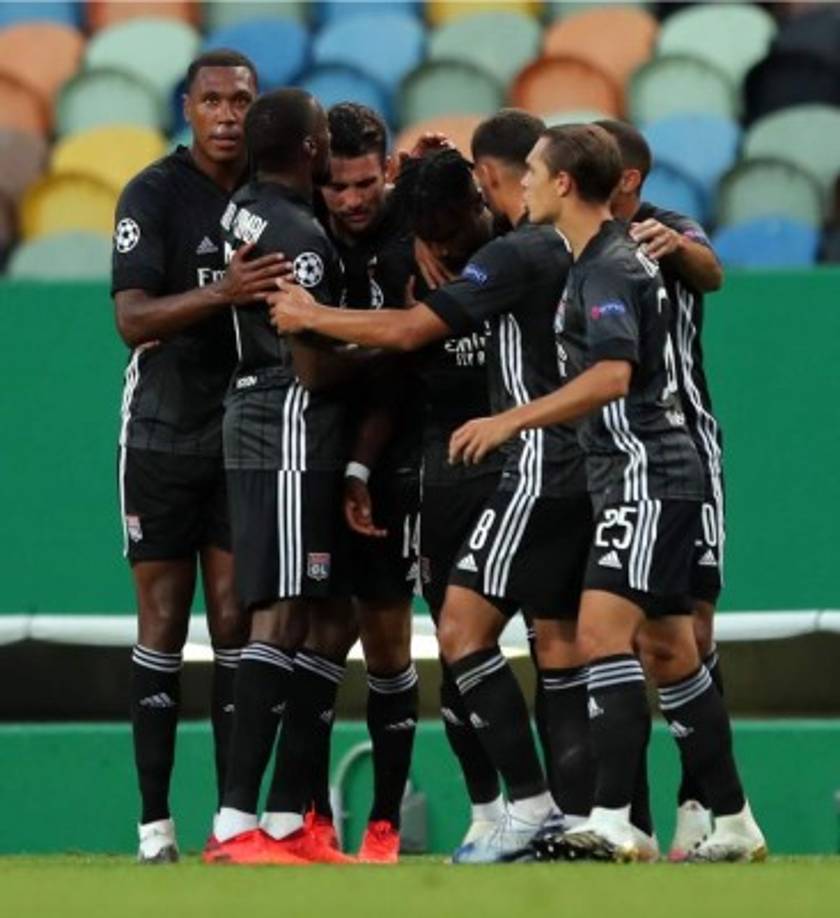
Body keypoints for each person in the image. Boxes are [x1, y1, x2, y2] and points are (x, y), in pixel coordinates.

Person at [269, 112, 600, 864]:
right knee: (487, 650)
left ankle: (550, 811)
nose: (446, 246)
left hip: (522, 464)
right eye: (433, 233)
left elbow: (414, 330)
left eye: (458, 223)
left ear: (494, 189)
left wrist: (310, 313)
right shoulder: (536, 240)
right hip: (455, 469)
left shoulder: (516, 251)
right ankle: (527, 813)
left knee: (517, 644)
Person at [450, 123, 766, 863]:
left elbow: (613, 376)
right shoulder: (600, 259)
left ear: (565, 184)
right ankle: (735, 821)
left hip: (645, 474)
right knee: (670, 649)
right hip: (639, 472)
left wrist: (511, 420)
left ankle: (616, 819)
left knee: (600, 637)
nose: (519, 182)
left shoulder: (608, 268)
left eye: (531, 170)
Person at [111, 49, 282, 863]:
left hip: (245, 435)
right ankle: (154, 827)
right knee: (162, 624)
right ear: (188, 107)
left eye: (241, 101)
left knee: (233, 625)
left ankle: (230, 822)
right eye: (212, 100)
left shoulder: (273, 193)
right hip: (161, 432)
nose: (226, 115)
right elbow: (133, 318)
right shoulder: (152, 193)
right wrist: (223, 292)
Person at [202, 88, 357, 866]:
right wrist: (386, 343)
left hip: (258, 415)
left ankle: (291, 824)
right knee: (283, 613)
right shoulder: (300, 239)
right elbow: (313, 362)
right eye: (324, 137)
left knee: (315, 615)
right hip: (290, 419)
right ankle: (235, 822)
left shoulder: (246, 209)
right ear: (307, 148)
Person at [266, 102, 421, 864]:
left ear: (388, 169)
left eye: (366, 184)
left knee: (389, 640)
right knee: (320, 633)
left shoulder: (412, 231)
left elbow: (406, 364)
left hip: (396, 451)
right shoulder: (302, 232)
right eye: (338, 187)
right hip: (318, 447)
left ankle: (385, 822)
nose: (354, 201)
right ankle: (308, 818)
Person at [597, 118, 728, 858]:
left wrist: (678, 248)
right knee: (623, 636)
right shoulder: (564, 237)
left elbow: (712, 270)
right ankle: (628, 817)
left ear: (629, 179)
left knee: (690, 631)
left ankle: (703, 804)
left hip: (684, 450)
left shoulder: (664, 228)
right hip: (603, 456)